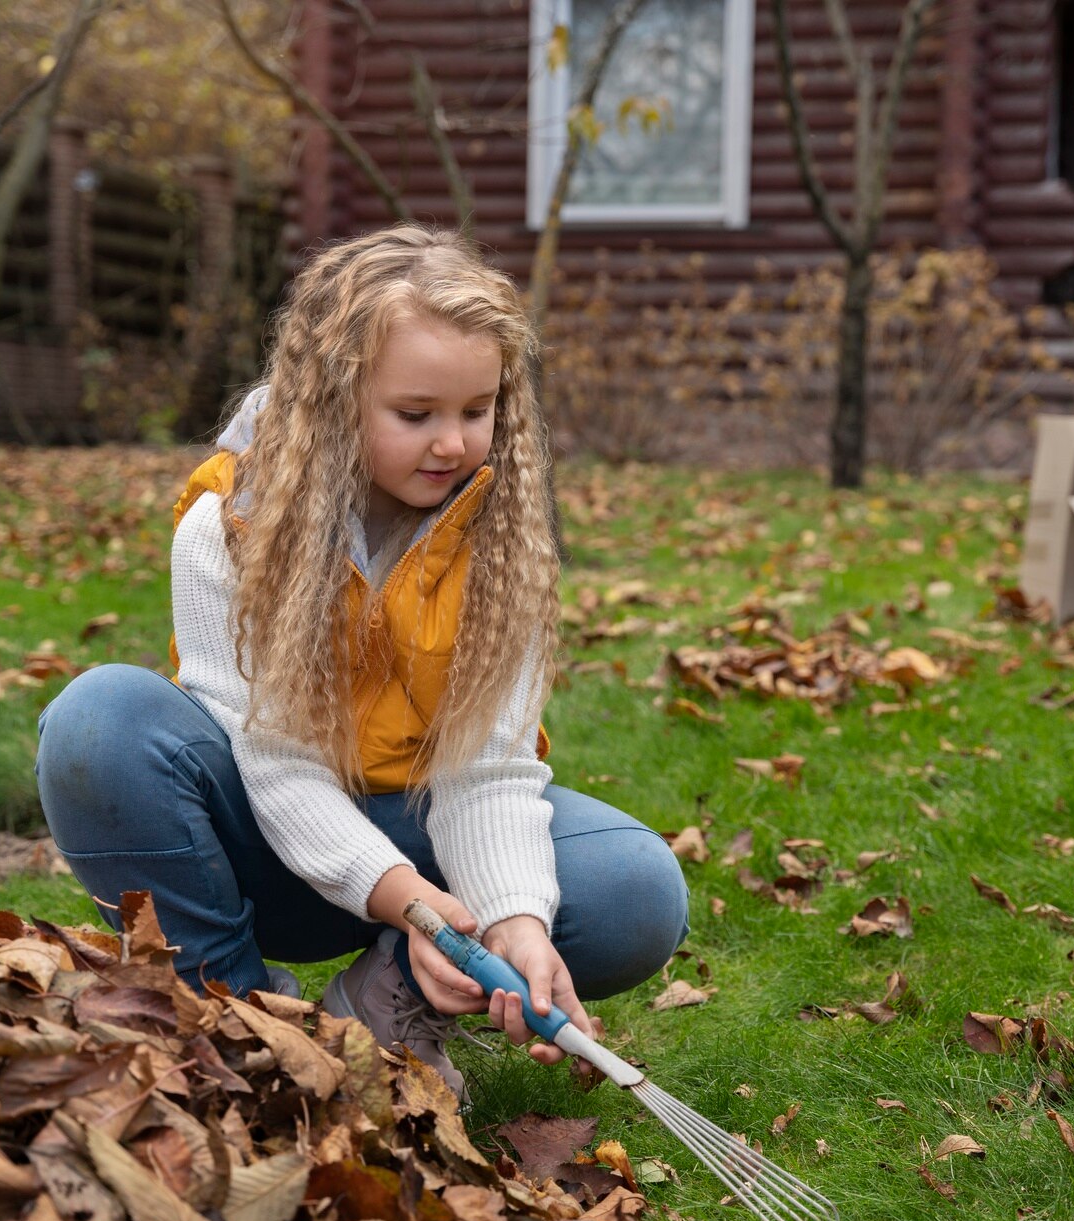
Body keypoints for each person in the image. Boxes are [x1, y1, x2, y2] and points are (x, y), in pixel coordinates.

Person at [34, 224, 689, 1097]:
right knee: (100, 721)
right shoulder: (229, 527)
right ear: (334, 399)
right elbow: (276, 763)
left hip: (418, 833)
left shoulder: (504, 545)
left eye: (477, 411)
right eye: (416, 415)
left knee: (632, 889)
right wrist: (402, 896)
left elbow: (486, 771)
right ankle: (232, 1012)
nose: (453, 444)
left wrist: (514, 920)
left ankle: (383, 1006)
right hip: (255, 844)